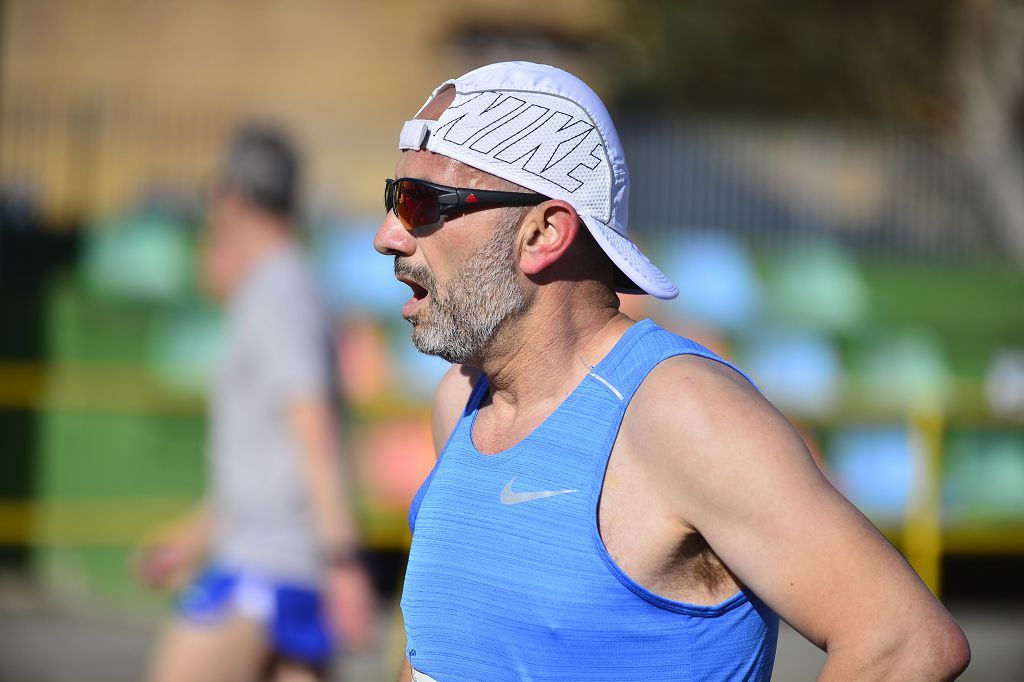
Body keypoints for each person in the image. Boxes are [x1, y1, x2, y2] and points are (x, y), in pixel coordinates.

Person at [373, 62, 970, 681]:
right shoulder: (461, 402)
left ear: (544, 232)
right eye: (394, 199)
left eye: (420, 205)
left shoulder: (681, 412)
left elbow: (903, 642)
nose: (387, 235)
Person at [137, 125, 373, 682]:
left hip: (268, 570)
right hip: (273, 560)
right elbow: (274, 457)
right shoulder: (281, 285)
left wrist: (344, 563)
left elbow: (313, 432)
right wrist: (195, 537)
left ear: (231, 193)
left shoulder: (280, 289)